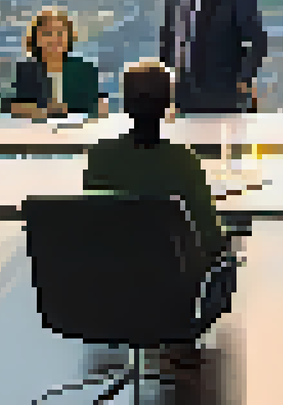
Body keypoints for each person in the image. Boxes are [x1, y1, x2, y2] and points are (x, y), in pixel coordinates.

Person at [83, 60, 237, 363]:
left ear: (125, 105)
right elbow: (209, 237)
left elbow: (94, 223)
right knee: (229, 255)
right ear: (169, 104)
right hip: (173, 289)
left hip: (109, 283)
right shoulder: (183, 160)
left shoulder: (100, 158)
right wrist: (231, 242)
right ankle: (180, 336)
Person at [159, 0, 268, 114]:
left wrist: (243, 80)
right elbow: (168, 40)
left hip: (222, 95)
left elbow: (258, 42)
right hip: (180, 96)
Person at [8, 8, 109, 119]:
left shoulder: (85, 68)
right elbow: (16, 107)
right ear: (36, 38)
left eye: (60, 33)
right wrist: (45, 111)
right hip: (38, 130)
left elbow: (98, 105)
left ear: (69, 37)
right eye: (48, 33)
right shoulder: (26, 70)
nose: (55, 39)